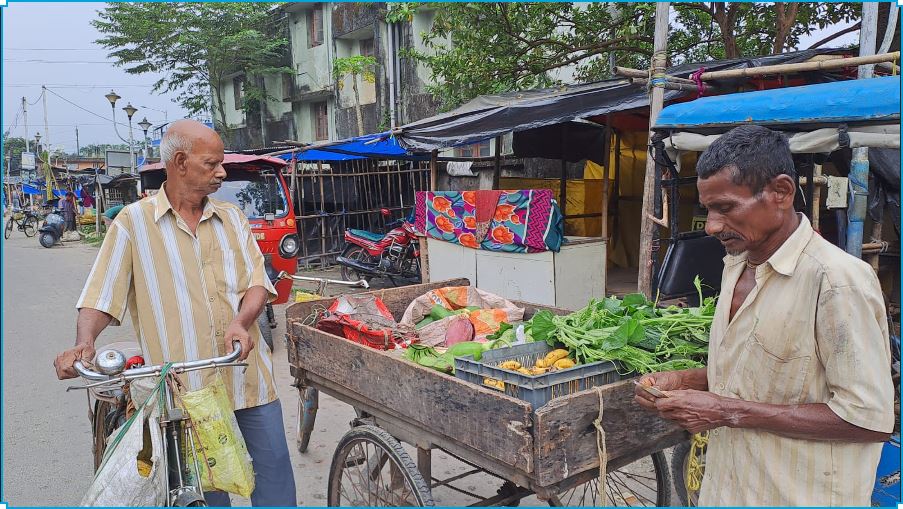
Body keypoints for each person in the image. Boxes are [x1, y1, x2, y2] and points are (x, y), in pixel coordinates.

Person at [634, 125, 894, 506]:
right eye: (707, 209)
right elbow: (762, 372)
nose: (712, 226)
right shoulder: (736, 265)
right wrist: (686, 380)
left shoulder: (836, 281)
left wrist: (726, 411)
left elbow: (869, 420)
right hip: (730, 488)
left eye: (726, 208)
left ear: (781, 193)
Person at [53, 119, 297, 506]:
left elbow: (257, 284)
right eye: (212, 163)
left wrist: (241, 321)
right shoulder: (133, 223)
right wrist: (84, 344)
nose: (221, 172)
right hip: (185, 392)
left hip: (250, 379)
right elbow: (101, 296)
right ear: (180, 162)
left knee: (275, 484)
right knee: (206, 492)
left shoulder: (232, 218)